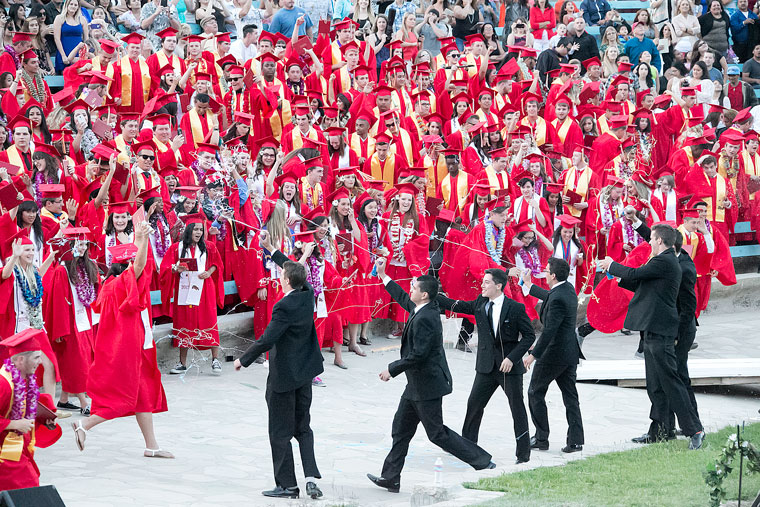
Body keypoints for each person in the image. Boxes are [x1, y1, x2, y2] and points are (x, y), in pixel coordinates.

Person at [367, 257, 495, 494]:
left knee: (437, 433)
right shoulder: (421, 307)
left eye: (414, 287)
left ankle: (482, 461)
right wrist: (384, 276)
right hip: (415, 386)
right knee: (401, 430)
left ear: (424, 295)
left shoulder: (428, 318)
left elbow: (419, 354)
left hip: (428, 386)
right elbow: (402, 298)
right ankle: (391, 478)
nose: (410, 289)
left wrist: (392, 369)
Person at [598, 223, 705, 450]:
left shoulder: (665, 261)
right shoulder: (662, 261)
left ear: (659, 241)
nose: (649, 242)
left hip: (662, 330)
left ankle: (694, 430)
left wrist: (612, 264)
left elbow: (636, 273)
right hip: (652, 330)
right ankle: (660, 431)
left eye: (651, 239)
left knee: (672, 383)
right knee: (655, 385)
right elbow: (642, 284)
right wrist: (616, 276)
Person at [234, 230, 324, 500]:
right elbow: (295, 271)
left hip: (284, 376)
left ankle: (288, 485)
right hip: (305, 373)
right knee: (303, 427)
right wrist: (271, 249)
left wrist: (243, 359)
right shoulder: (307, 293)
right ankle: (311, 477)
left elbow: (268, 339)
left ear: (285, 281)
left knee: (280, 431)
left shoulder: (284, 307)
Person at [71, 223, 172, 458]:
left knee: (143, 396)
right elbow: (139, 266)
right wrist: (142, 238)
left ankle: (152, 446)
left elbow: (138, 267)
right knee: (123, 398)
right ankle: (83, 426)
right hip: (129, 350)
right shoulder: (120, 285)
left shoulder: (110, 286)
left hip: (138, 345)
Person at [437, 268, 536, 464]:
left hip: (509, 369)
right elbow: (457, 306)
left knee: (517, 409)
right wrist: (433, 294)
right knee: (474, 406)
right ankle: (467, 447)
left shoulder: (515, 308)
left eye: (487, 282)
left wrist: (512, 358)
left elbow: (529, 336)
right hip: (485, 367)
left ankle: (523, 455)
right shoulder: (481, 303)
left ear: (498, 286)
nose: (482, 285)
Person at [519, 257, 585, 453]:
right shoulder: (568, 290)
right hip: (569, 353)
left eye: (547, 271)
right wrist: (530, 286)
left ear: (553, 275)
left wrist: (533, 355)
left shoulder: (557, 297)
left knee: (534, 392)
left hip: (554, 355)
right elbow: (551, 295)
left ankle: (541, 437)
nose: (545, 273)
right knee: (571, 397)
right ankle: (576, 441)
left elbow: (549, 331)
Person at [0, 328, 61, 491]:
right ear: (20, 360)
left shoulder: (22, 379)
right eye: (36, 358)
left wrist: (42, 418)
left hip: (17, 449)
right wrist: (13, 424)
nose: (39, 362)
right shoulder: (3, 385)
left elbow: (23, 408)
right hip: (5, 454)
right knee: (25, 487)